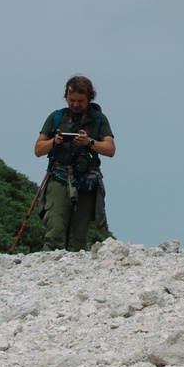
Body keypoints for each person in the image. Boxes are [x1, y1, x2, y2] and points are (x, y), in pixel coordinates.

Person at [32, 76, 116, 251]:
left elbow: (110, 149)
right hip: (59, 177)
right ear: (66, 97)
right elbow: (38, 149)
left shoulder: (99, 119)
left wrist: (89, 142)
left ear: (89, 98)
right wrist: (54, 142)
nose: (76, 104)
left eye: (80, 101)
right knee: (54, 231)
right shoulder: (56, 117)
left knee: (78, 237)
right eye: (72, 100)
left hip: (86, 181)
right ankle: (49, 268)